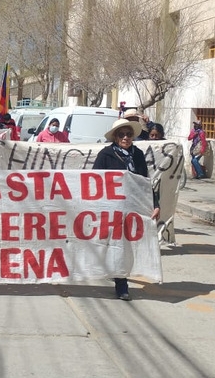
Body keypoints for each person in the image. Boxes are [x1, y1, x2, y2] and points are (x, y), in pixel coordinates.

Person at [93, 118, 160, 302]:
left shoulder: (137, 155)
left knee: (125, 245)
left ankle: (120, 280)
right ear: (115, 137)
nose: (125, 137)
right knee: (113, 245)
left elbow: (144, 182)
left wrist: (155, 204)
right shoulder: (105, 155)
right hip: (111, 208)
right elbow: (92, 181)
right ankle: (117, 279)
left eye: (129, 134)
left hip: (132, 207)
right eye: (121, 134)